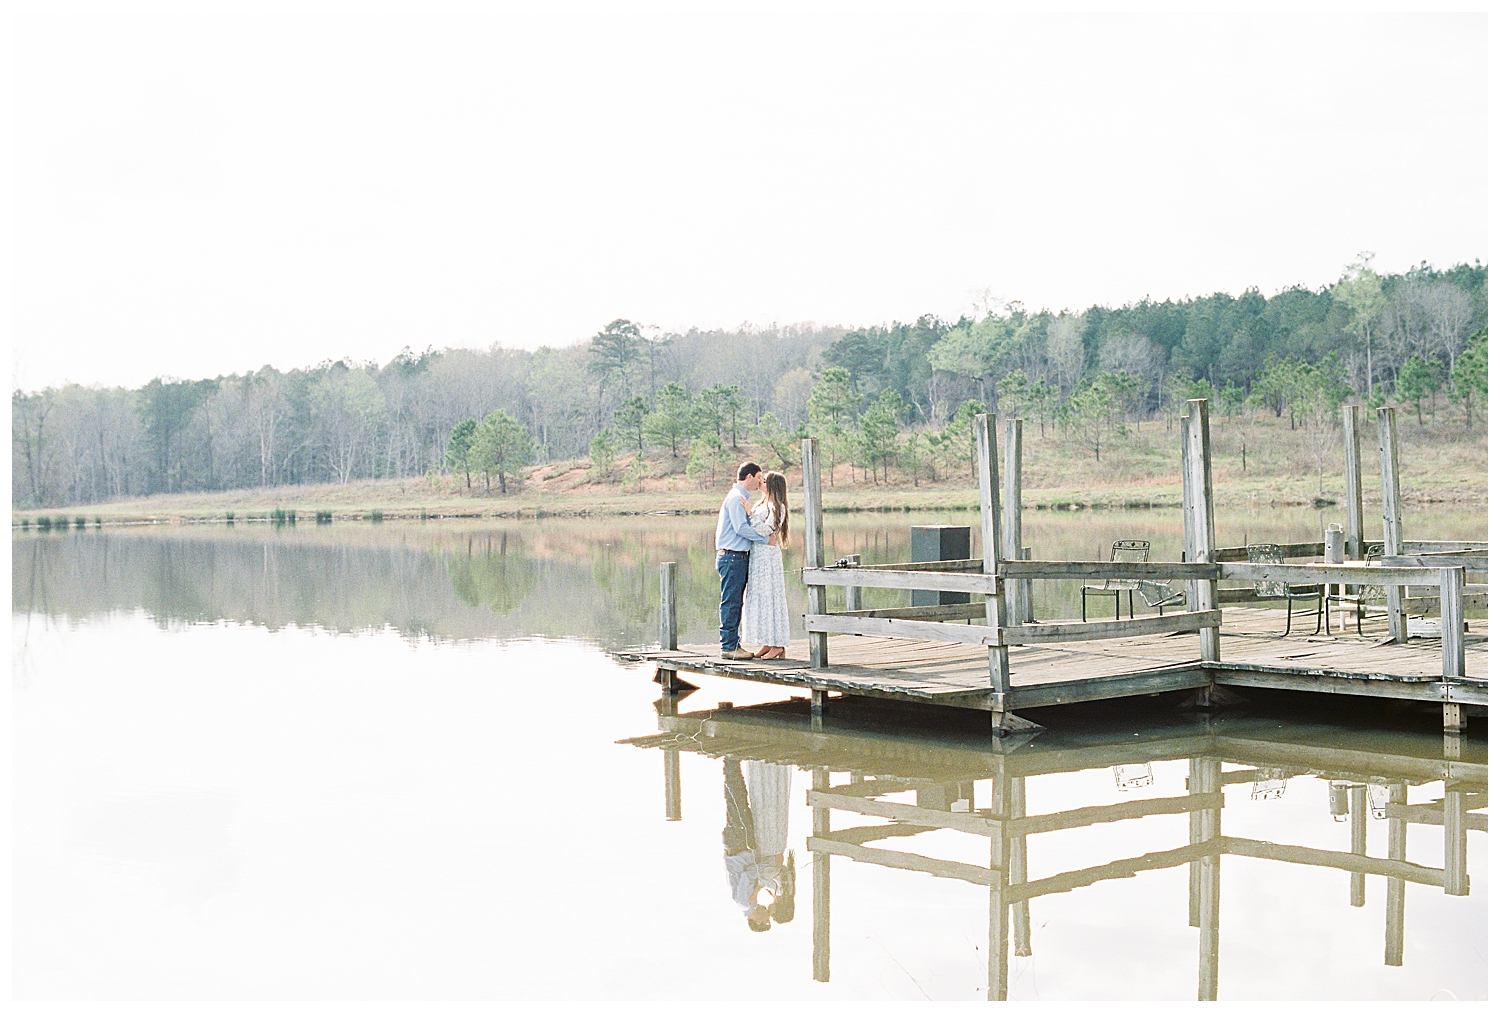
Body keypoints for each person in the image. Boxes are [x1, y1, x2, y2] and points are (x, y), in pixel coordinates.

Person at [716, 462, 777, 660]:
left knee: (734, 601)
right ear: (749, 476)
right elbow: (740, 528)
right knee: (732, 601)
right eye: (759, 477)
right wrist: (765, 540)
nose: (760, 481)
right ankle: (729, 646)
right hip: (732, 556)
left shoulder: (740, 498)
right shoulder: (736, 498)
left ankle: (732, 643)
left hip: (737, 557)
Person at [743, 470, 792, 659]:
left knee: (771, 596)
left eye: (764, 481)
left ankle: (777, 644)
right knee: (761, 597)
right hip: (758, 555)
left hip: (768, 557)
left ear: (772, 486)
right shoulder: (762, 503)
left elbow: (767, 529)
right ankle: (767, 641)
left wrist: (749, 516)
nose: (761, 483)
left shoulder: (776, 506)